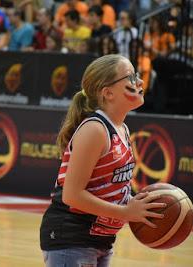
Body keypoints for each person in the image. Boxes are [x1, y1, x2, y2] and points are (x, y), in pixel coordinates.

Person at [40, 54, 166, 266]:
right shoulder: (95, 129)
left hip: (101, 239)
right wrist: (126, 212)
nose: (140, 82)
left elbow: (112, 187)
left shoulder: (122, 128)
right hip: (71, 237)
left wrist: (141, 204)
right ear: (108, 93)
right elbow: (72, 195)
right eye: (131, 77)